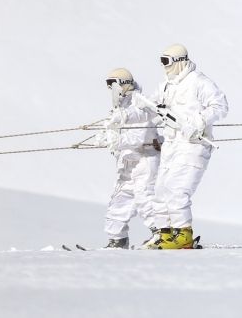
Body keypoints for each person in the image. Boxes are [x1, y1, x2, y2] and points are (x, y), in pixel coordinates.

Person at [128, 44, 229, 249]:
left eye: (167, 61)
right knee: (161, 190)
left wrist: (198, 122)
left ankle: (183, 235)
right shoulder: (167, 85)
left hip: (193, 144)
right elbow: (149, 110)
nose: (164, 66)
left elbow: (220, 106)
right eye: (162, 61)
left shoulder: (199, 82)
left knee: (177, 189)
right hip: (171, 144)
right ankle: (165, 234)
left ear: (179, 61)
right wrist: (126, 114)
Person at [94, 68, 161, 249]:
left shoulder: (141, 104)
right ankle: (118, 239)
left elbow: (139, 136)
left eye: (113, 83)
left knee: (145, 197)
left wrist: (116, 140)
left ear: (123, 84)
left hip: (145, 159)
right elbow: (113, 128)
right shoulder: (120, 107)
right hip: (127, 163)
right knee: (120, 199)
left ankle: (161, 234)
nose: (110, 88)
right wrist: (104, 136)